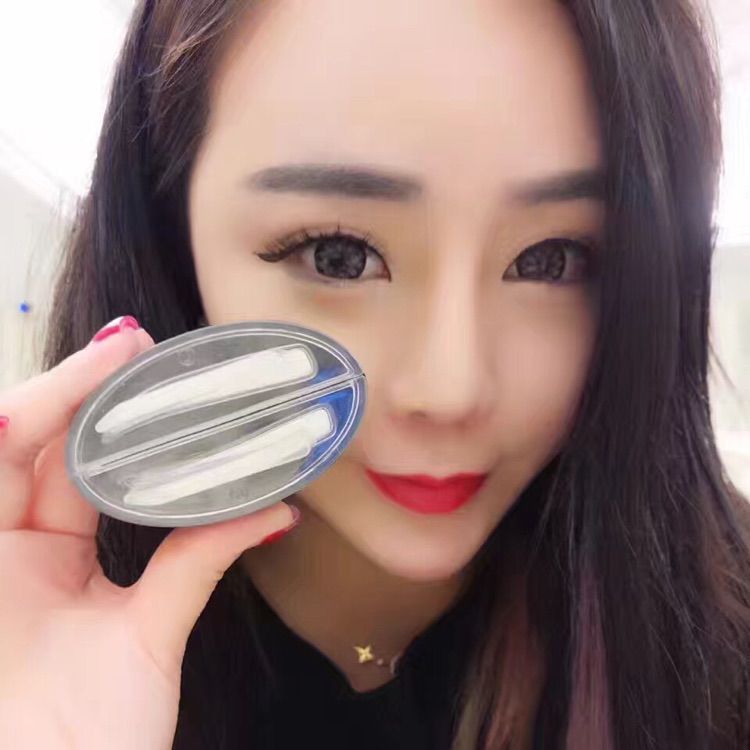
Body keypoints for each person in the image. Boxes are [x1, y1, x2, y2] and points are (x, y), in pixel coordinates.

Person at [1, 0, 748, 747]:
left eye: (552, 260)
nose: (451, 390)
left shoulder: (723, 649)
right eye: (340, 257)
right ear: (172, 238)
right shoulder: (39, 652)